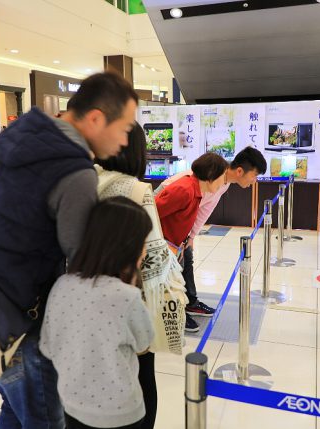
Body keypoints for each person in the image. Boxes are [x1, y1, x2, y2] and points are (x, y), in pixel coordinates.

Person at [0, 72, 138, 429]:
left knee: (15, 409)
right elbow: (83, 261)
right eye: (125, 128)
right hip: (24, 322)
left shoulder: (22, 139)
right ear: (96, 118)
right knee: (44, 419)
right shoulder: (73, 171)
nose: (125, 141)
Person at [96, 123, 186, 429]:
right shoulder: (136, 190)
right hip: (129, 294)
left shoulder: (86, 181)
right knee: (143, 373)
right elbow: (153, 254)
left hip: (91, 292)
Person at [40, 197, 154, 429]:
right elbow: (144, 343)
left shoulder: (62, 285)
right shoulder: (127, 297)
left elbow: (48, 347)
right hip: (122, 413)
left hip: (71, 406)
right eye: (143, 242)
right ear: (127, 247)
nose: (144, 251)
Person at [155, 147, 267, 332]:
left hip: (179, 219)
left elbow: (203, 210)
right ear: (240, 171)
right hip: (167, 210)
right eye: (254, 176)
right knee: (171, 268)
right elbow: (157, 207)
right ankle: (176, 311)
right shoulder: (207, 178)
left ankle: (189, 303)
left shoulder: (221, 183)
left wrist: (190, 237)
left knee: (183, 260)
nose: (254, 181)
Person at [155, 153, 229, 332]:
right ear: (211, 176)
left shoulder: (197, 191)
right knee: (166, 286)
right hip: (161, 246)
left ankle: (177, 314)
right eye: (222, 176)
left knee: (174, 282)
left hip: (174, 245)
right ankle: (174, 317)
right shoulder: (184, 189)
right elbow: (151, 211)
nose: (224, 182)